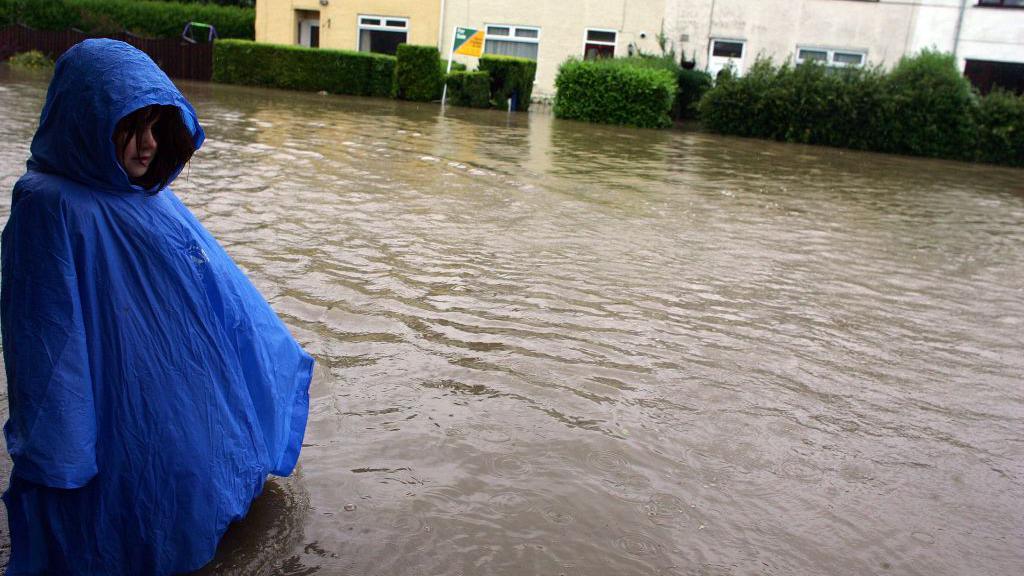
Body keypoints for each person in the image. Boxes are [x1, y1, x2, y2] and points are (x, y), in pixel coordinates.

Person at [1, 39, 314, 574]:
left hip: (176, 402)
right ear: (90, 120)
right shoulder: (49, 203)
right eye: (132, 128)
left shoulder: (142, 193)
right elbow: (46, 341)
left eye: (154, 128)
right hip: (118, 410)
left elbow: (221, 290)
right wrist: (61, 454)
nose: (148, 146)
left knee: (191, 511)